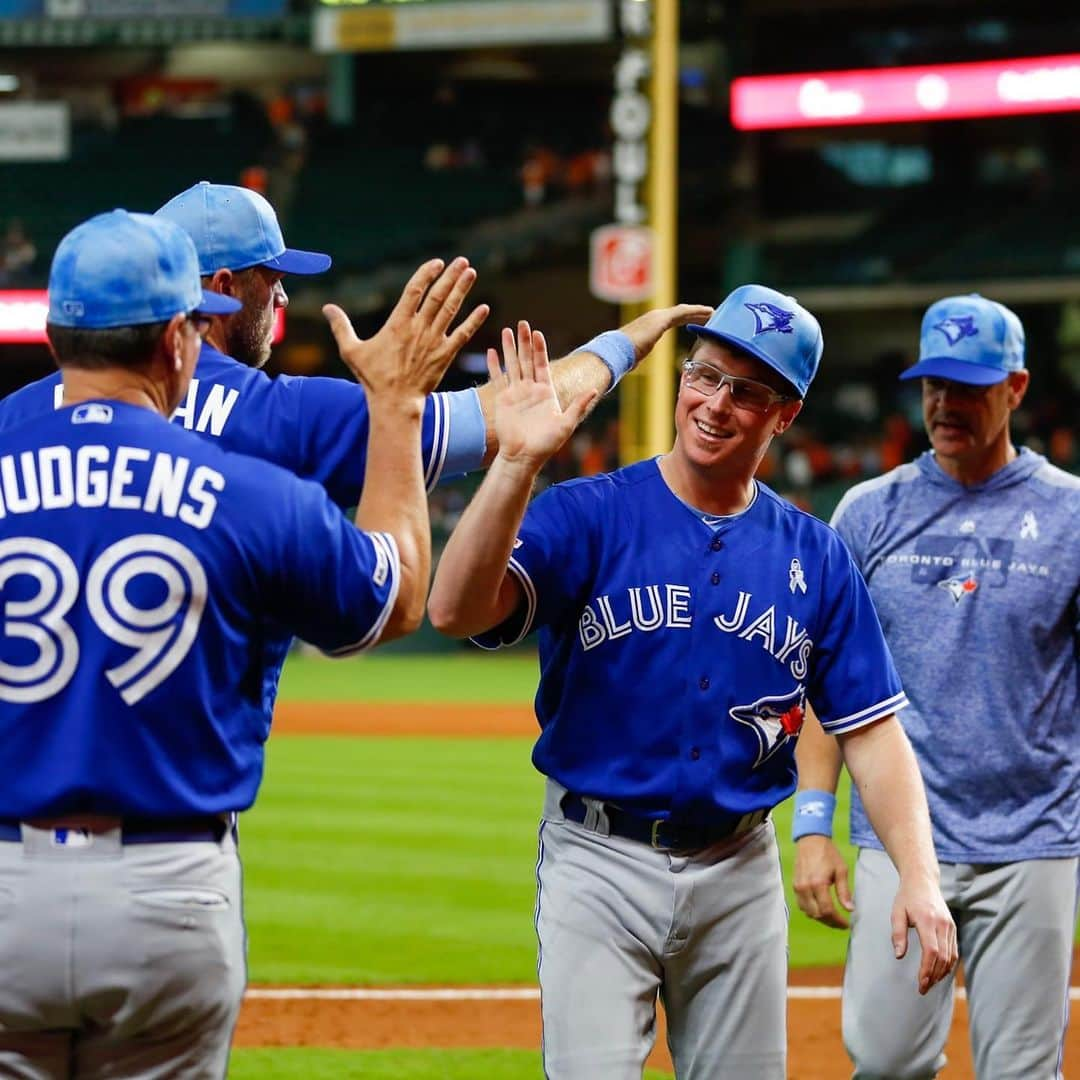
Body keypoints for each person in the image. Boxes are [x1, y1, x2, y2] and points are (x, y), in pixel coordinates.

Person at [427, 286, 958, 1080]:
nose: (714, 404)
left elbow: (872, 732)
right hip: (597, 862)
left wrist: (920, 878)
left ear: (786, 414)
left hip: (738, 870)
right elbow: (455, 609)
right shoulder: (590, 514)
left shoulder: (816, 556)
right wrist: (513, 466)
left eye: (746, 392)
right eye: (703, 377)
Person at [0, 207, 457, 1076]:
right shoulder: (249, 494)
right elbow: (391, 600)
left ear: (56, 337)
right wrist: (394, 410)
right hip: (165, 892)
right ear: (181, 340)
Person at [0, 180, 710, 710]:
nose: (281, 299)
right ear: (217, 290)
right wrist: (620, 346)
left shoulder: (13, 426)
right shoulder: (281, 420)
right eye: (270, 279)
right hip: (174, 835)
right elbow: (512, 418)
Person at [793, 293, 1079, 1080]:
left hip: (1035, 839)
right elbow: (826, 683)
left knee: (1022, 1071)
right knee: (884, 1062)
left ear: (1016, 388)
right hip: (899, 837)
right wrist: (813, 825)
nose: (946, 405)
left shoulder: (1069, 515)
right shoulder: (869, 512)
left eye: (970, 387)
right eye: (933, 386)